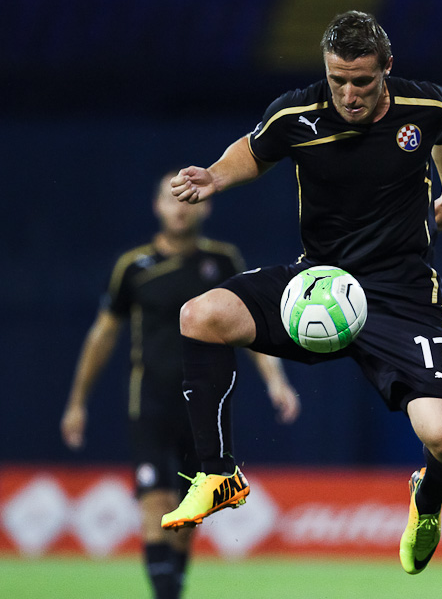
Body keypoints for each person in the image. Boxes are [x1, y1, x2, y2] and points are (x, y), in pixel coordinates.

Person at [160, 11, 442, 576]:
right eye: (338, 80)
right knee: (200, 315)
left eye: (363, 81)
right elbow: (254, 149)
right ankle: (219, 474)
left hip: (402, 296)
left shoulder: (425, 107)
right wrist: (215, 175)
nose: (349, 95)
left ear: (387, 68)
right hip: (318, 284)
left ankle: (426, 500)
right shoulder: (297, 113)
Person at [60, 172, 299, 599]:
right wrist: (77, 402)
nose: (181, 208)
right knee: (155, 503)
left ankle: (173, 587)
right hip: (150, 402)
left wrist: (276, 381)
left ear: (206, 205)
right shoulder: (133, 266)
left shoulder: (223, 262)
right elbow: (103, 335)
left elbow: (251, 329)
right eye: (172, 198)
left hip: (204, 407)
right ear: (157, 206)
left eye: (190, 199)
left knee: (188, 516)